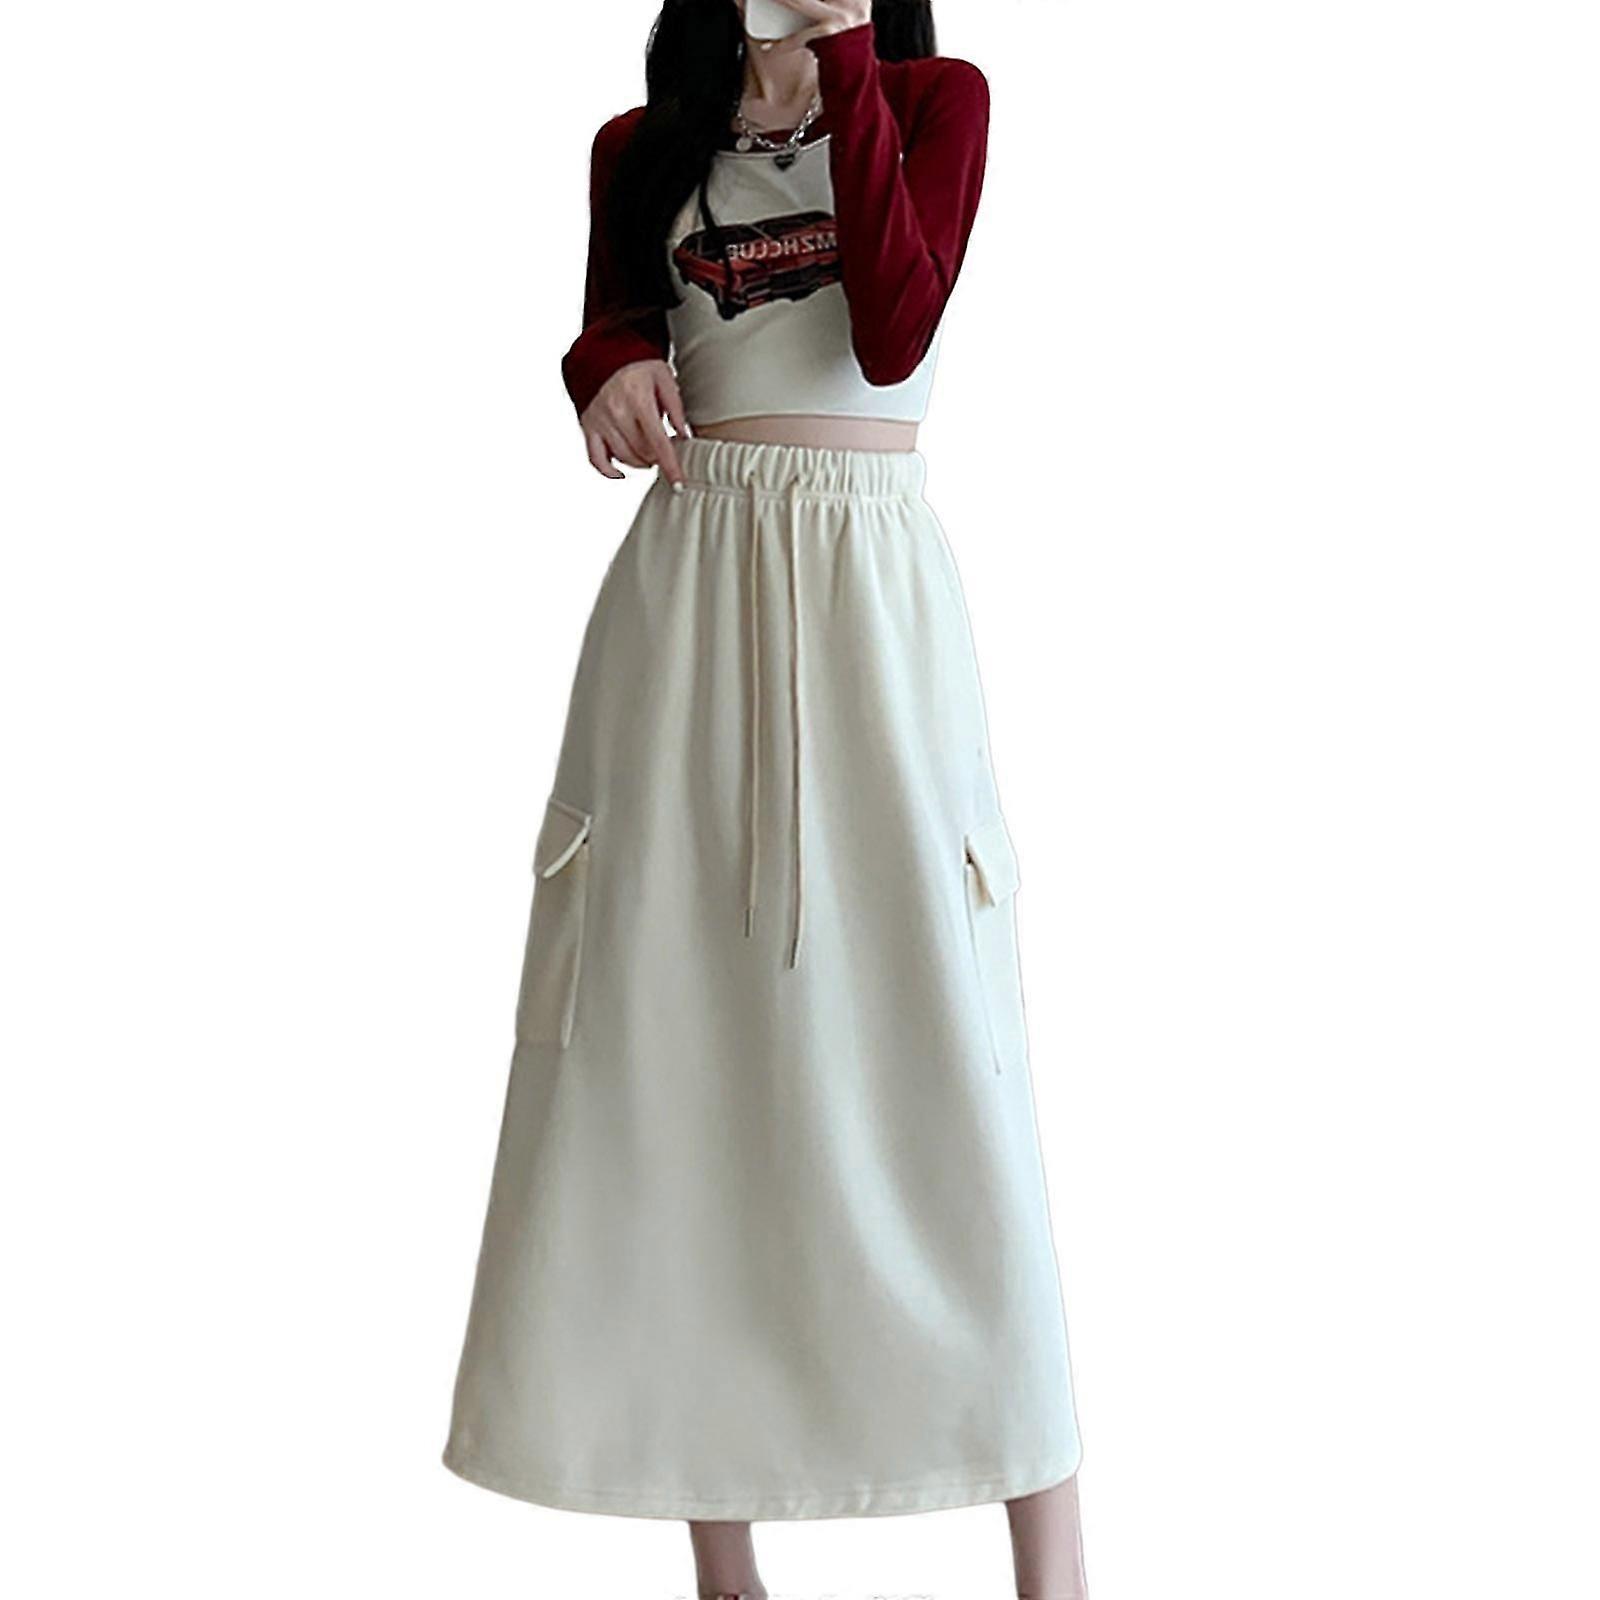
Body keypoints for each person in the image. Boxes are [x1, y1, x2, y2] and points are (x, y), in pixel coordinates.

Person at [443, 4, 1089, 1596]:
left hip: (875, 589)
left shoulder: (936, 100)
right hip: (689, 595)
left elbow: (897, 329)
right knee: (675, 1038)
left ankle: (1055, 1566)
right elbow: (615, 323)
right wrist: (602, 369)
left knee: (946, 1044)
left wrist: (846, 56)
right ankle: (725, 1572)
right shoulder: (642, 145)